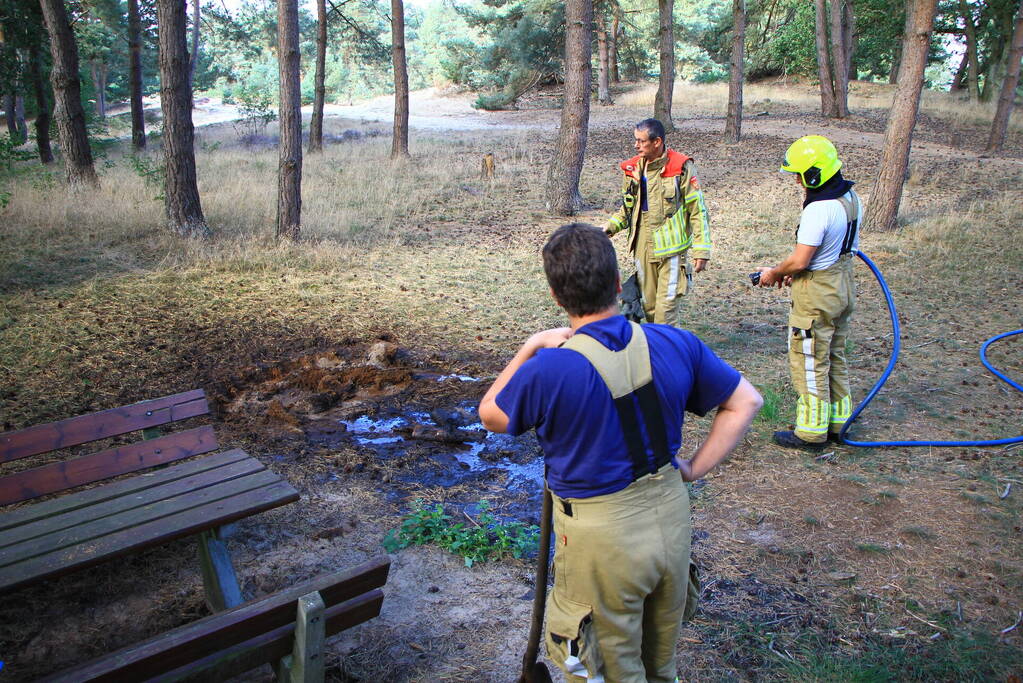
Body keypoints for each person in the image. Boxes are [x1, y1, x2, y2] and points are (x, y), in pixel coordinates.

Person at [479, 223, 762, 682]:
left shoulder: (550, 369)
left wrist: (529, 346)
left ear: (556, 296)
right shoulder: (675, 342)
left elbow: (490, 413)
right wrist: (691, 469)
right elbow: (746, 400)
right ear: (616, 284)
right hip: (672, 522)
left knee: (605, 671)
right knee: (659, 666)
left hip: (601, 543)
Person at [756, 135, 861, 451]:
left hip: (818, 293)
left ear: (814, 175)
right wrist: (796, 274)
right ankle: (839, 423)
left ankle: (812, 432)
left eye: (799, 175)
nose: (798, 182)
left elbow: (802, 259)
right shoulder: (851, 198)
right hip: (842, 284)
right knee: (834, 354)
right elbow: (827, 252)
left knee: (809, 358)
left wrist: (774, 273)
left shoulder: (819, 210)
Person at [605, 118, 712, 326]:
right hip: (642, 247)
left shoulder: (680, 166)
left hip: (671, 251)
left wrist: (702, 250)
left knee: (666, 312)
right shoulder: (632, 168)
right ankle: (655, 353)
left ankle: (671, 355)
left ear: (657, 142)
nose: (636, 145)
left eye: (641, 141)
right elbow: (628, 208)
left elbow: (698, 210)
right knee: (649, 307)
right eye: (635, 140)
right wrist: (608, 228)